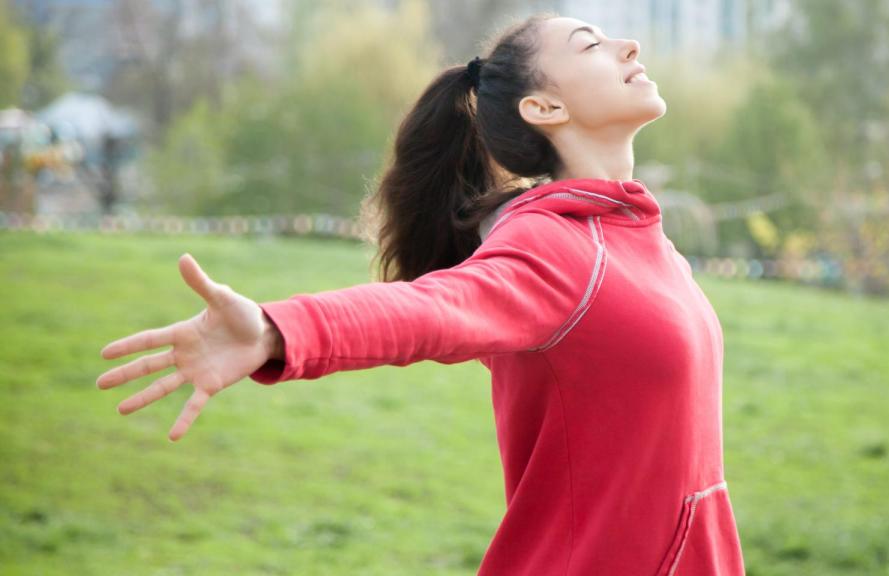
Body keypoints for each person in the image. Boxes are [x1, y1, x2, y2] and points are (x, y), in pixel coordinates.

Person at [95, 12, 746, 576]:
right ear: (545, 108)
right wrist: (277, 329)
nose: (628, 46)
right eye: (590, 45)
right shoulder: (558, 248)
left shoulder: (641, 242)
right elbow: (430, 307)